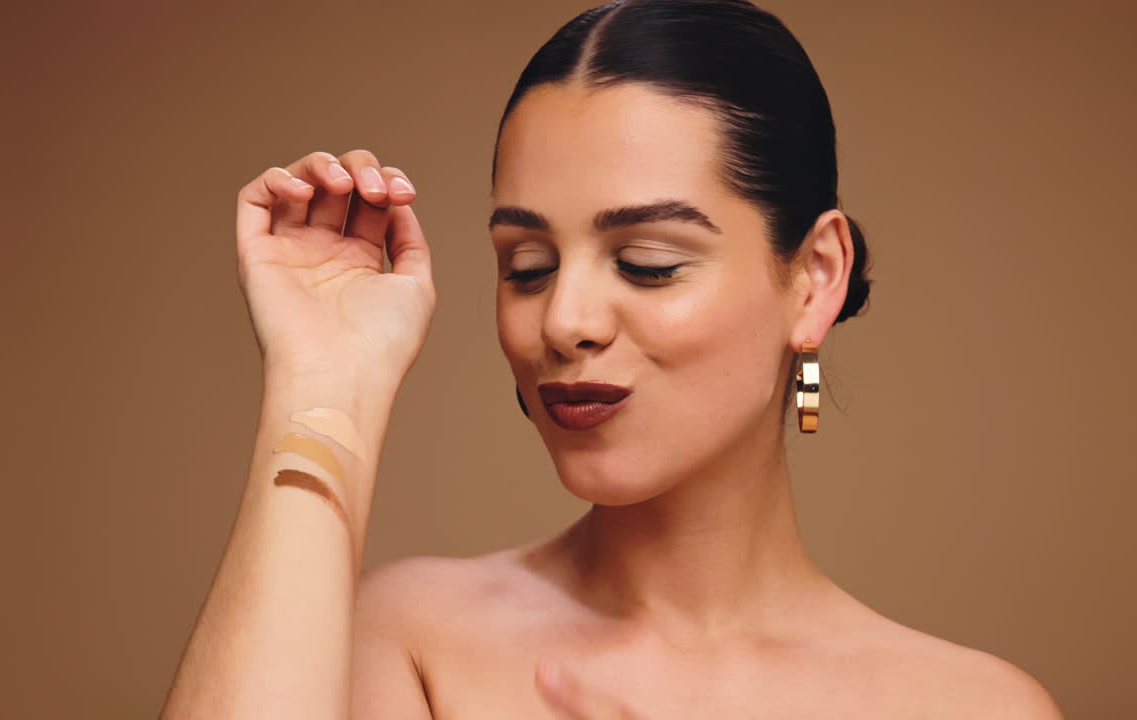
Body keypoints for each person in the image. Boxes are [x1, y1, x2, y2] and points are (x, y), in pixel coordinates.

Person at [162, 1, 1062, 717]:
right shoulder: (408, 643)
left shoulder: (973, 706)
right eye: (528, 267)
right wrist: (325, 380)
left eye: (648, 263)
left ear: (814, 279)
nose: (565, 320)